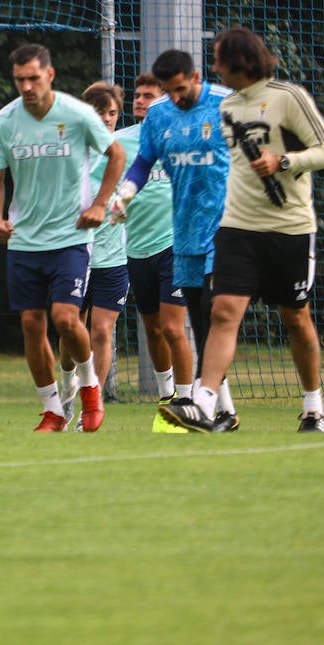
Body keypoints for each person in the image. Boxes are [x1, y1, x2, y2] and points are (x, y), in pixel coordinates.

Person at [159, 28, 324, 433]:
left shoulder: (288, 97)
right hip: (237, 229)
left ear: (239, 60)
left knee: (296, 318)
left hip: (289, 228)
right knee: (221, 311)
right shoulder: (227, 108)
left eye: (218, 57)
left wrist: (283, 162)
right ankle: (204, 405)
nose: (214, 65)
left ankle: (312, 407)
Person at [0, 44, 124, 432]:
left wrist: (99, 203)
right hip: (25, 239)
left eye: (33, 78)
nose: (26, 86)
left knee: (64, 317)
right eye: (19, 80)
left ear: (50, 75)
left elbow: (116, 155)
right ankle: (53, 410)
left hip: (71, 236)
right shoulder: (4, 121)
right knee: (31, 322)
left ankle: (90, 389)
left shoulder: (77, 115)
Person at [110, 49, 240, 428]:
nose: (176, 98)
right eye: (168, 91)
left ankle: (198, 401)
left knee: (217, 315)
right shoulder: (160, 113)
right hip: (185, 233)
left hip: (226, 228)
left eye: (181, 89)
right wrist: (126, 195)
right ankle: (226, 412)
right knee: (202, 323)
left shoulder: (226, 105)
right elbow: (142, 162)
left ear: (196, 76)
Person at [113, 71, 193, 426]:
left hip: (176, 245)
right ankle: (167, 400)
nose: (140, 101)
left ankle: (188, 401)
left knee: (175, 327)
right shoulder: (119, 142)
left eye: (149, 95)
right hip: (136, 250)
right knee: (153, 330)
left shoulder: (181, 138)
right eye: (137, 95)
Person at [50, 81, 131, 430]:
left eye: (112, 113)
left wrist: (125, 203)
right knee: (71, 332)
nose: (107, 118)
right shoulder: (70, 148)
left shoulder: (125, 148)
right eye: (101, 112)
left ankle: (91, 407)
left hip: (113, 257)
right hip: (75, 252)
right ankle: (68, 386)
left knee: (101, 330)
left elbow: (136, 188)